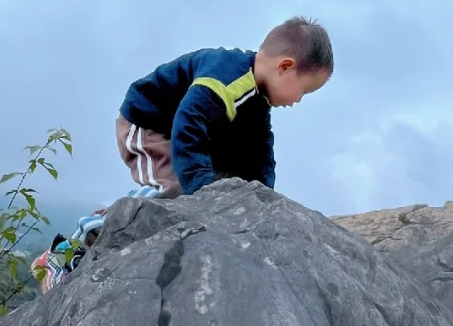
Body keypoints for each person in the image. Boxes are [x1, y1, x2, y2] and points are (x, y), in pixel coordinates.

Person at [116, 16, 333, 197]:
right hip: (148, 126)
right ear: (285, 67)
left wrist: (264, 195)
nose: (298, 100)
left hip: (187, 132)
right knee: (176, 191)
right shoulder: (225, 80)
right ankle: (100, 229)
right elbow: (188, 123)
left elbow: (259, 150)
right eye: (304, 90)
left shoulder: (257, 98)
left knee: (228, 179)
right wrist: (201, 188)